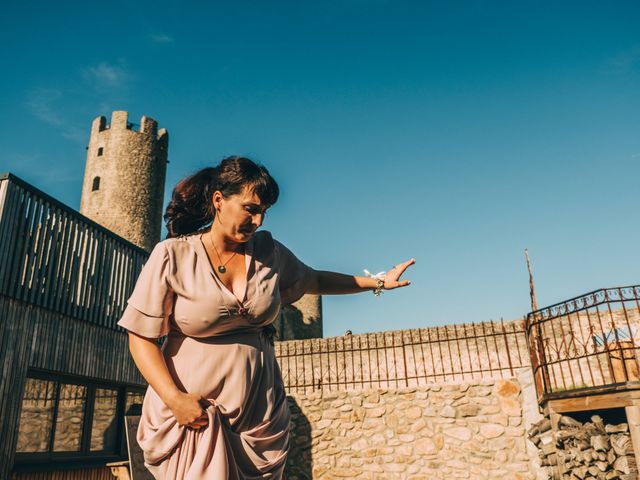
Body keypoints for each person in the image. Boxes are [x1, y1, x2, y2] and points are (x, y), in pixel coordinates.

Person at [117, 156, 415, 479]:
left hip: (259, 425)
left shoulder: (268, 253)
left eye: (264, 212)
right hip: (194, 418)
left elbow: (314, 280)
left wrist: (379, 282)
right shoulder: (172, 255)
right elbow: (140, 337)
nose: (258, 220)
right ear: (219, 200)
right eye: (250, 208)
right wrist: (174, 399)